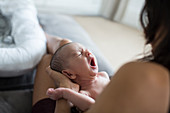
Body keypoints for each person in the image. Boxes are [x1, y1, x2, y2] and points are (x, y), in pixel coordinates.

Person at [32, 0, 170, 113]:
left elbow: (87, 104)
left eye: (152, 20)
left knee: (50, 59)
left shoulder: (150, 77)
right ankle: (39, 34)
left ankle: (37, 34)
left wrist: (64, 88)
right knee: (66, 47)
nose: (146, 31)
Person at [46, 42, 110, 111]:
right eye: (80, 54)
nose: (88, 52)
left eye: (87, 49)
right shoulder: (83, 93)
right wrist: (64, 93)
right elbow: (92, 106)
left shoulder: (103, 75)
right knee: (47, 58)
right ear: (70, 74)